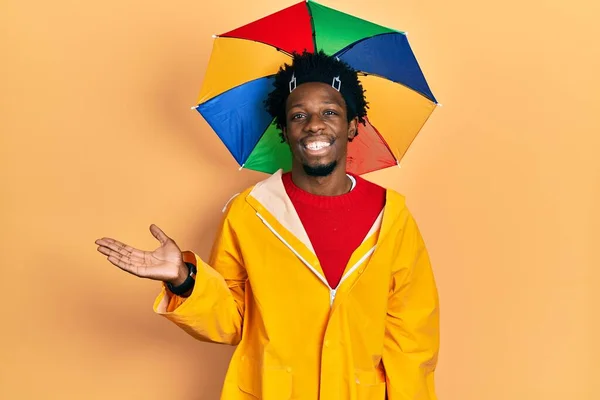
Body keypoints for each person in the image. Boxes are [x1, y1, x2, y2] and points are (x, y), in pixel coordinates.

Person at [95, 50, 440, 400]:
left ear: (352, 125)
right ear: (285, 129)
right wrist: (185, 280)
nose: (314, 124)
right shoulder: (250, 212)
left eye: (330, 112)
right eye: (298, 115)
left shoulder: (391, 215)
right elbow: (231, 321)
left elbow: (412, 341)